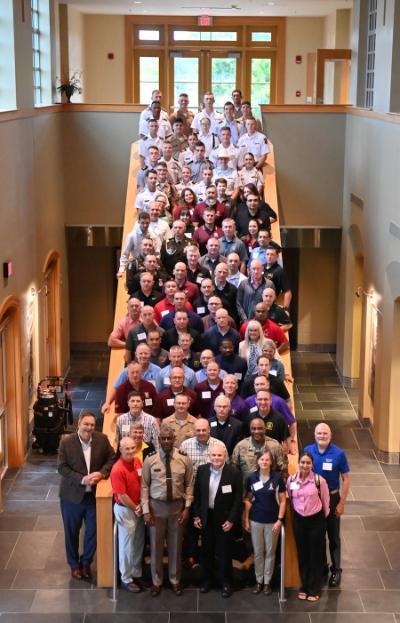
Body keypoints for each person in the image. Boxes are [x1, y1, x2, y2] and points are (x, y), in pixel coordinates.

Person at [58, 412, 115, 579]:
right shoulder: (66, 443)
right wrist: (82, 479)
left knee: (93, 532)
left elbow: (111, 458)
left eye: (92, 425)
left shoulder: (102, 439)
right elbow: (62, 467)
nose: (89, 428)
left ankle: (86, 563)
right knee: (72, 533)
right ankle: (74, 565)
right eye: (86, 424)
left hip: (94, 497)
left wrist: (102, 473)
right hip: (71, 497)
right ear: (79, 425)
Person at [141, 425, 194, 596]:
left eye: (169, 438)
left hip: (177, 508)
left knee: (176, 546)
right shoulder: (150, 459)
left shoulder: (184, 459)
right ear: (159, 440)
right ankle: (156, 581)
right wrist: (146, 511)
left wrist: (187, 507)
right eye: (163, 439)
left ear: (174, 439)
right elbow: (144, 486)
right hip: (156, 508)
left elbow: (189, 484)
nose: (166, 441)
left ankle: (175, 580)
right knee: (156, 546)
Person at [304, 423, 350, 588]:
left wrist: (342, 502)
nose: (321, 436)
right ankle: (322, 567)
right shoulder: (308, 450)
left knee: (333, 536)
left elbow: (346, 479)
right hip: (314, 499)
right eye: (319, 433)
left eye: (324, 433)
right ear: (314, 435)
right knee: (318, 535)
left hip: (332, 498)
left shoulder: (339, 454)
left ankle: (336, 570)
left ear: (330, 435)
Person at [193, 444, 243, 597]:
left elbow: (237, 499)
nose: (216, 458)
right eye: (213, 455)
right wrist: (196, 515)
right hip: (206, 516)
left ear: (225, 456)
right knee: (206, 550)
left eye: (219, 455)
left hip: (224, 519)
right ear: (209, 456)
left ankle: (226, 582)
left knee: (225, 551)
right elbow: (197, 496)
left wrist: (232, 520)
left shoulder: (233, 472)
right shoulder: (202, 470)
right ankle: (207, 580)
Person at [288, 452, 330, 602]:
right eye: (302, 462)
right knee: (303, 553)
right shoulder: (291, 479)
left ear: (312, 465)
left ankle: (314, 588)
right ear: (298, 463)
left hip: (316, 520)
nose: (305, 466)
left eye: (308, 463)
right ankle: (304, 586)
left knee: (315, 554)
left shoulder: (320, 481)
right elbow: (291, 499)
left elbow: (326, 503)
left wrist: (320, 519)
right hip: (299, 520)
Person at [243, 450, 286, 595]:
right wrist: (246, 519)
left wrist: (280, 520)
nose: (264, 462)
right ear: (258, 461)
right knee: (258, 552)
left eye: (267, 460)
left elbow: (283, 501)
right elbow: (247, 500)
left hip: (272, 522)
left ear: (271, 462)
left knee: (270, 552)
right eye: (262, 459)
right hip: (256, 520)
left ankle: (267, 582)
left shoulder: (277, 478)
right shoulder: (251, 478)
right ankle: (258, 581)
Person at [111, 436, 145, 593]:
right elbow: (122, 495)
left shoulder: (137, 461)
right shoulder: (117, 469)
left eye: (133, 448)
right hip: (126, 510)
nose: (131, 451)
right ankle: (126, 578)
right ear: (120, 450)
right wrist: (136, 507)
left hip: (138, 508)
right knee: (126, 546)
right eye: (127, 449)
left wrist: (141, 505)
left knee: (138, 542)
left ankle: (136, 573)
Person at [231, 417, 285, 484]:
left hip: (270, 489)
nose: (256, 431)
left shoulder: (275, 446)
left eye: (260, 428)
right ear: (250, 430)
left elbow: (283, 469)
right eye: (254, 429)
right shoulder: (240, 446)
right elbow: (234, 470)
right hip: (246, 488)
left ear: (265, 429)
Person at [264, 246, 292, 311]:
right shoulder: (261, 267)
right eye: (267, 254)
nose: (269, 256)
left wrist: (285, 310)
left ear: (277, 257)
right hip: (259, 304)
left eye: (272, 254)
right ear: (265, 256)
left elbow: (287, 292)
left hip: (271, 305)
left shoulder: (279, 271)